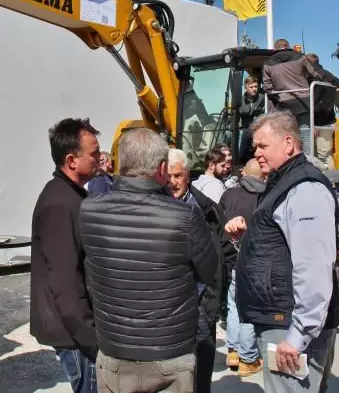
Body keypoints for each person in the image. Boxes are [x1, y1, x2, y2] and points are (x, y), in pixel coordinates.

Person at [79, 129, 219, 393]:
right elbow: (209, 270)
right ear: (163, 169)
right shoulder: (185, 215)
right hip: (170, 351)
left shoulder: (89, 210)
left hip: (115, 350)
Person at [227, 111, 339, 393]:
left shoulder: (304, 188)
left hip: (288, 323)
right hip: (282, 317)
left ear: (288, 143)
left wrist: (298, 335)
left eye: (262, 146)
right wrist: (248, 241)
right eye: (255, 148)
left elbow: (313, 266)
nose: (257, 154)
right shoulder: (284, 184)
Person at [30, 118, 101, 393]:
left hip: (78, 330)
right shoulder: (59, 203)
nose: (100, 157)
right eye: (93, 153)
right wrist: (91, 339)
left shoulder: (71, 195)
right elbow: (64, 279)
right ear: (72, 160)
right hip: (75, 335)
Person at [166, 148, 228, 393]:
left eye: (178, 176)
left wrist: (213, 302)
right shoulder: (157, 208)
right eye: (168, 176)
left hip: (202, 303)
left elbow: (223, 254)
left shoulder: (207, 209)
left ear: (188, 176)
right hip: (170, 307)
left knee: (200, 375)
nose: (173, 182)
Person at [262, 39, 339, 162]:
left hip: (284, 106)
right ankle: (307, 164)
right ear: (288, 46)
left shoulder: (267, 63)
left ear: (275, 48)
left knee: (287, 137)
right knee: (305, 137)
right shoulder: (300, 57)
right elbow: (318, 73)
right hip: (304, 104)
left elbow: (267, 87)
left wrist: (279, 98)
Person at [219, 158, 265, 377]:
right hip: (257, 261)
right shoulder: (266, 196)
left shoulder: (229, 195)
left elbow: (219, 224)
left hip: (232, 258)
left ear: (244, 173)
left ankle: (233, 351)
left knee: (234, 304)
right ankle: (248, 358)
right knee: (249, 308)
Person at [238, 76, 265, 161]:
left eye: (256, 87)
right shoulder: (240, 100)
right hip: (245, 128)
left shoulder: (262, 98)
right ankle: (239, 158)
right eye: (251, 87)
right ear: (246, 87)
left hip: (259, 126)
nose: (254, 89)